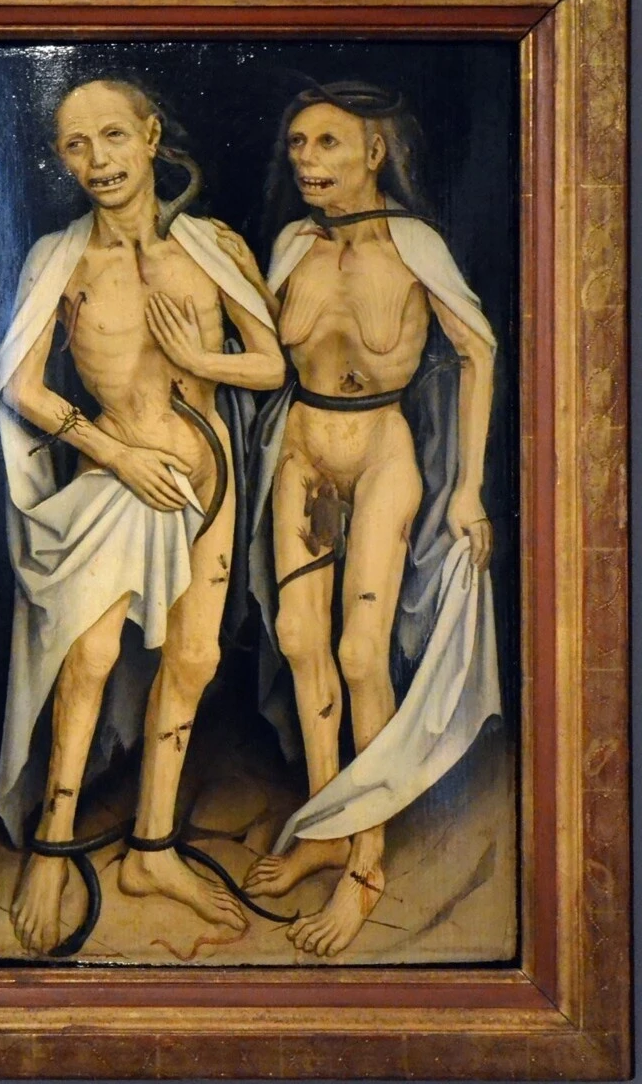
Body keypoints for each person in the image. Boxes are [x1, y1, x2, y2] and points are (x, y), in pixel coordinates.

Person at [0, 77, 284, 955]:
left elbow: (271, 364)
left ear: (151, 136)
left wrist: (202, 357)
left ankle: (153, 851)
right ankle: (52, 844)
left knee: (195, 658)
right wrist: (118, 454)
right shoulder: (61, 259)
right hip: (115, 479)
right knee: (89, 659)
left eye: (113, 136)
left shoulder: (213, 246)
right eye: (75, 145)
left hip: (208, 481)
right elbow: (22, 385)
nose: (98, 161)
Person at [221, 80, 501, 957]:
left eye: (328, 143)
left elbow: (480, 349)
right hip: (302, 456)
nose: (307, 161)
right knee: (301, 640)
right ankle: (330, 823)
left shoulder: (415, 245)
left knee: (359, 653)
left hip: (381, 455)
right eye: (297, 144)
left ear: (375, 152)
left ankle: (367, 864)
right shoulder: (291, 245)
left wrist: (469, 489)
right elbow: (256, 353)